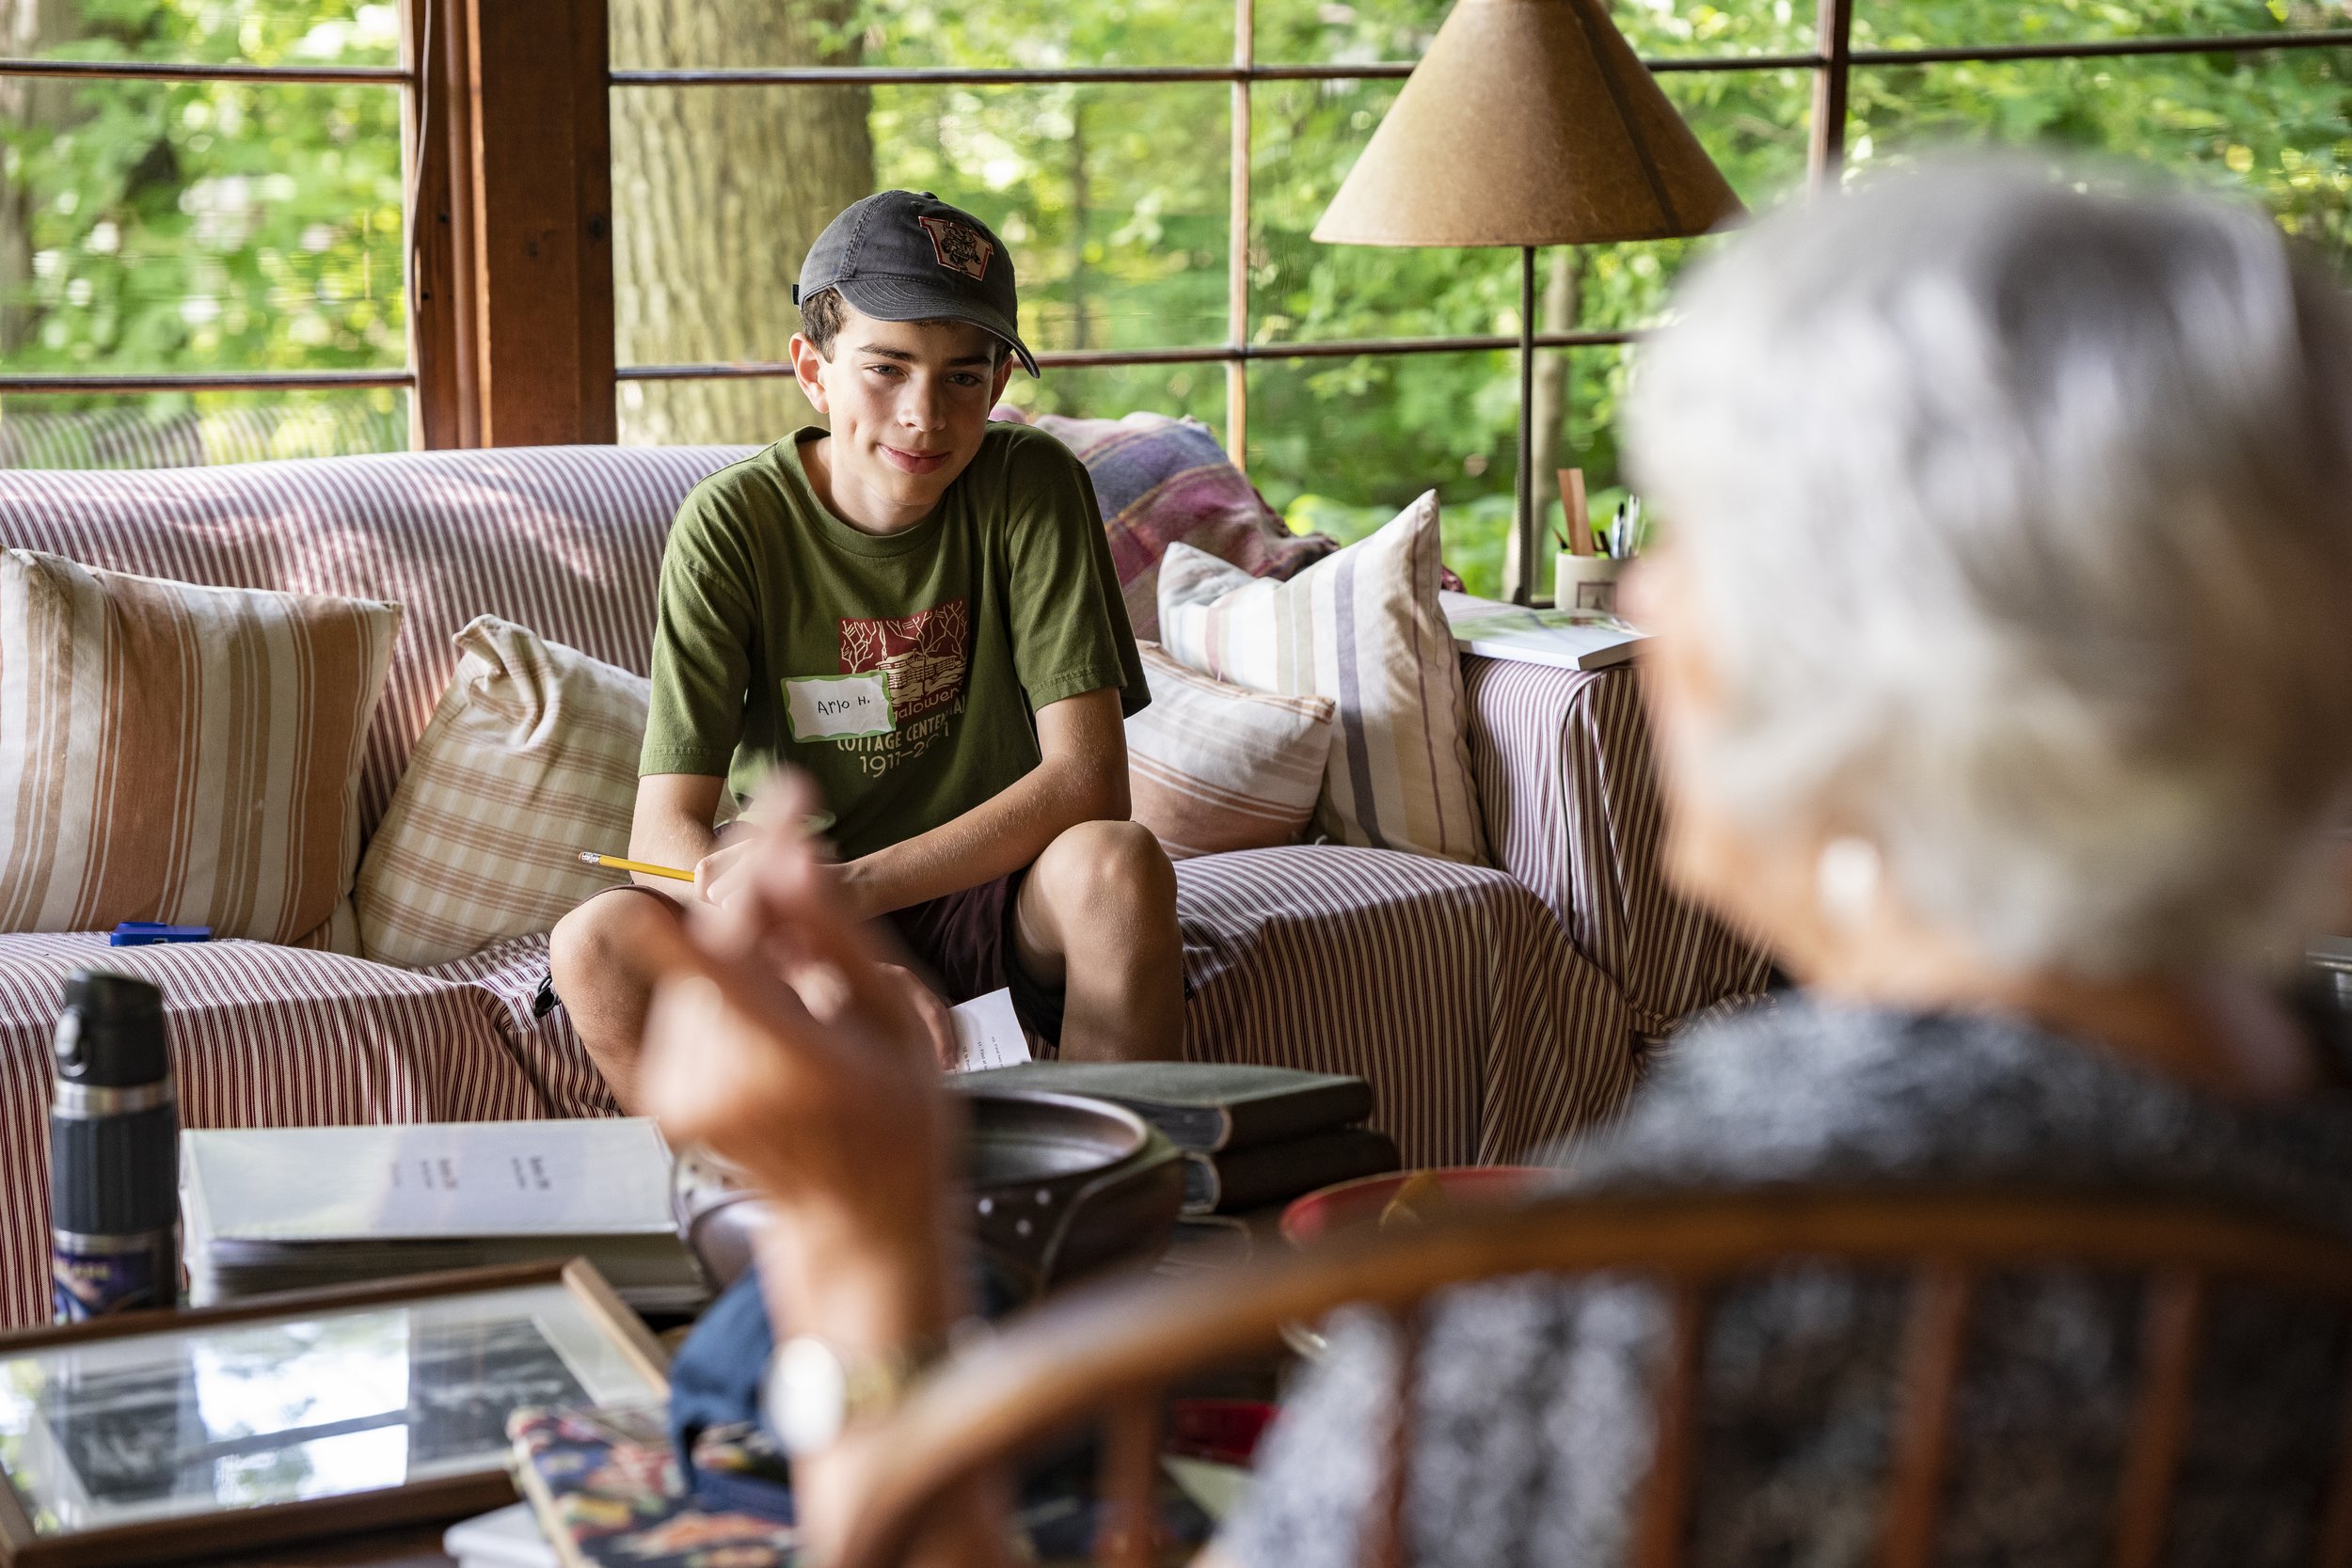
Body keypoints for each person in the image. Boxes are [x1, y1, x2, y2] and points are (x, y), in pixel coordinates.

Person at [606, 157, 2352, 1568]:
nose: (1645, 594)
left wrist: (864, 1266)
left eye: (1710, 540)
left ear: (1887, 662)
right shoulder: (2290, 1167)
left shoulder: (1606, 1320)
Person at [550, 189, 1184, 1108]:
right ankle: (748, 1222)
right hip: (799, 907)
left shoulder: (1031, 485)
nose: (924, 413)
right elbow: (662, 834)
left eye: (963, 376)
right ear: (813, 369)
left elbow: (1088, 783)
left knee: (1118, 866)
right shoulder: (732, 522)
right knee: (593, 942)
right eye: (885, 368)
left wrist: (856, 889)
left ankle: (1106, 1189)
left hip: (991, 888)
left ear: (998, 383)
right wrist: (821, 957)